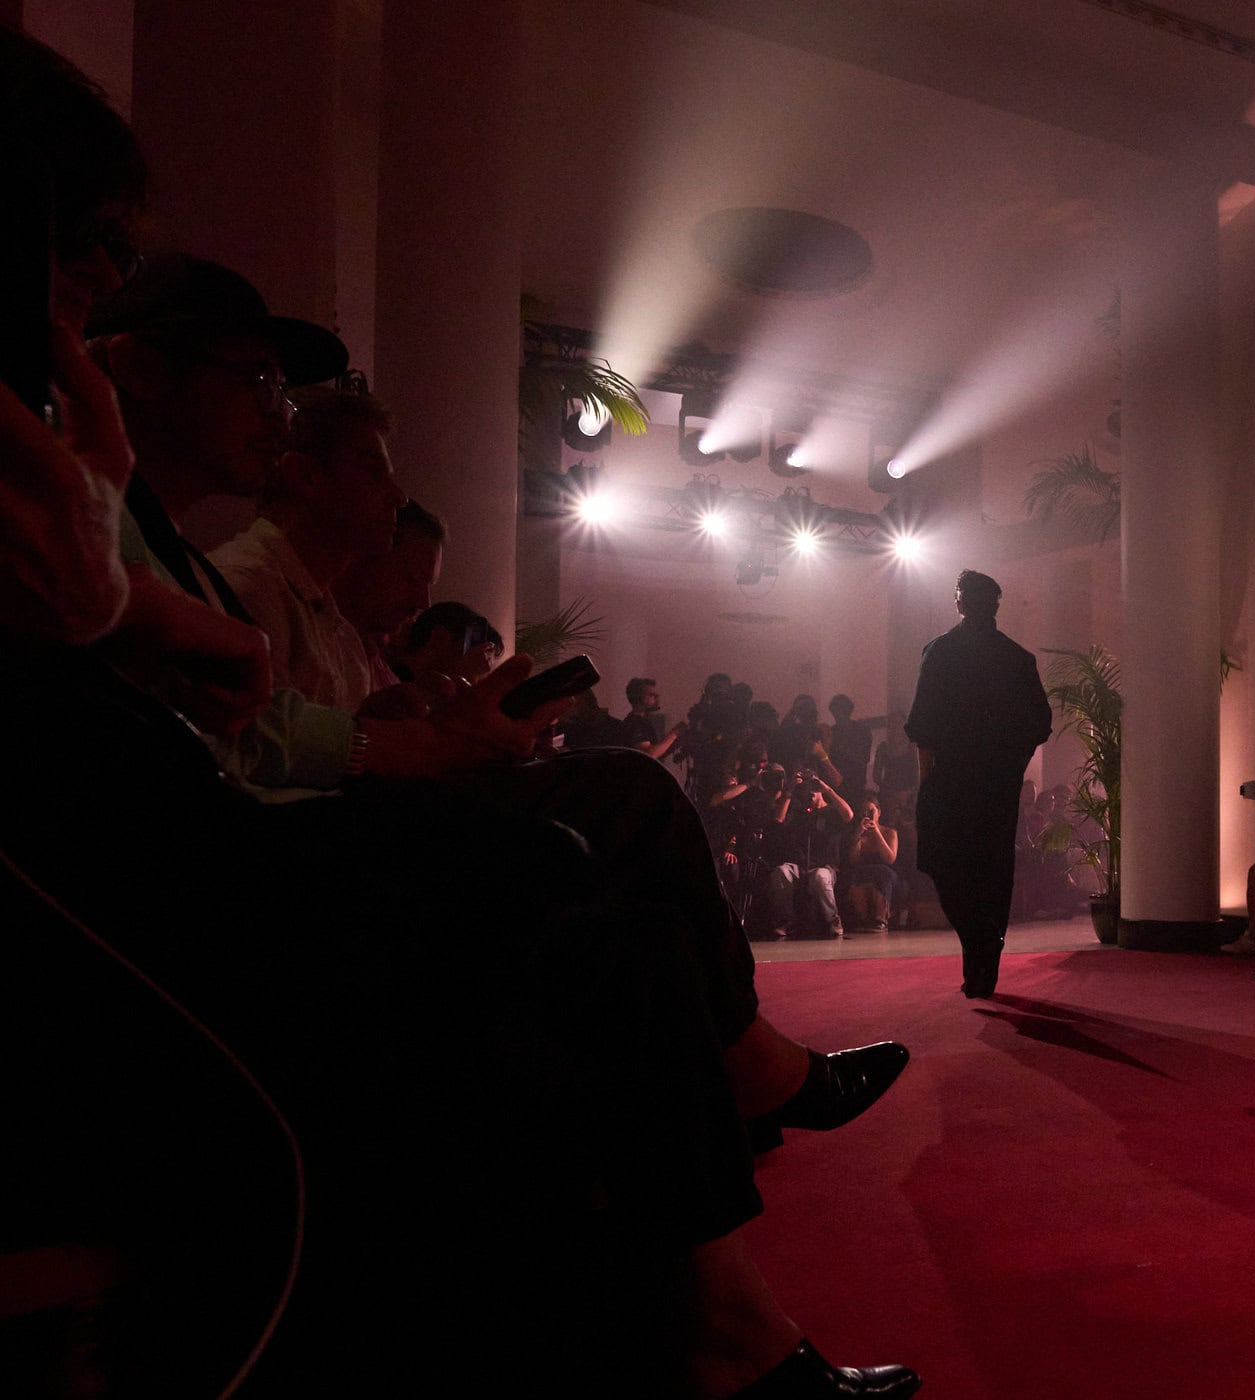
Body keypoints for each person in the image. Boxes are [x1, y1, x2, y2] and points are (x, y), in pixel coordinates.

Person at [5, 32, 921, 1393]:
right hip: (162, 885)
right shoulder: (94, 482)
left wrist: (408, 725)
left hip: (204, 839)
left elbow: (239, 701)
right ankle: (711, 1242)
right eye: (86, 240)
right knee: (573, 861)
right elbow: (204, 701)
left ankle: (715, 1246)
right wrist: (364, 715)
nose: (279, 418)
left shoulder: (144, 511)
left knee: (599, 837)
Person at [904, 570, 1053, 997]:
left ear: (960, 602)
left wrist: (926, 781)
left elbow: (923, 725)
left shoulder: (940, 652)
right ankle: (984, 959)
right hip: (996, 783)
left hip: (950, 779)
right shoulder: (1017, 659)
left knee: (945, 864)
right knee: (992, 870)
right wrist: (1012, 766)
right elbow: (1039, 724)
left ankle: (979, 951)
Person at [208, 386, 404, 707]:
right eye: (374, 472)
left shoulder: (340, 634)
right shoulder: (244, 590)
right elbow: (263, 735)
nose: (400, 497)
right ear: (305, 476)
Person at [336, 499, 444, 686]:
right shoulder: (306, 641)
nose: (424, 603)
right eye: (413, 579)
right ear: (359, 558)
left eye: (428, 585)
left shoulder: (375, 662)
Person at [763, 765, 857, 939]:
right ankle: (785, 921)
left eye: (813, 787)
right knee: (780, 872)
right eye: (807, 788)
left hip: (824, 867)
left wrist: (827, 789)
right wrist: (790, 790)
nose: (811, 792)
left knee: (820, 876)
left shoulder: (831, 811)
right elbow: (778, 819)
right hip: (798, 866)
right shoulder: (798, 810)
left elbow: (849, 815)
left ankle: (833, 920)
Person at [839, 799, 902, 931]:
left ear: (879, 812)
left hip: (886, 873)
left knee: (882, 872)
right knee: (854, 874)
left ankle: (881, 918)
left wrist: (876, 832)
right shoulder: (858, 833)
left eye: (871, 811)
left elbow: (890, 859)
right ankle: (861, 918)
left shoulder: (890, 832)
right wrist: (858, 834)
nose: (867, 814)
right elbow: (853, 860)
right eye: (864, 811)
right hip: (863, 871)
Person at [826, 692, 881, 810]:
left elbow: (864, 759)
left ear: (848, 710)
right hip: (837, 787)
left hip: (856, 785)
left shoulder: (862, 731)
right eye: (835, 711)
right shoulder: (832, 732)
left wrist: (841, 751)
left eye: (840, 710)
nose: (838, 715)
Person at [615, 675, 688, 761]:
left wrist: (679, 741)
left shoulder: (644, 722)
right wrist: (674, 733)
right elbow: (649, 754)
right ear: (638, 697)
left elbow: (657, 754)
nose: (657, 698)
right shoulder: (634, 723)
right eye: (652, 695)